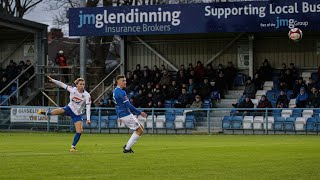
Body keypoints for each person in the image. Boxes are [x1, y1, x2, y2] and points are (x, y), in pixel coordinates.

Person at [38, 76, 91, 152]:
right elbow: (62, 84)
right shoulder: (72, 90)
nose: (82, 86)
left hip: (77, 114)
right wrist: (53, 80)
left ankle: (73, 147)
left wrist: (88, 119)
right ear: (77, 85)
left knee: (79, 131)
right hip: (69, 109)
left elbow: (88, 107)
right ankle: (46, 113)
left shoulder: (87, 95)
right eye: (81, 84)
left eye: (83, 84)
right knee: (56, 112)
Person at [113, 75, 147, 153]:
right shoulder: (121, 92)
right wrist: (140, 112)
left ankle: (127, 146)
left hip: (123, 114)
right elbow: (129, 105)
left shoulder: (115, 91)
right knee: (140, 130)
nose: (125, 82)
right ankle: (127, 148)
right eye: (123, 81)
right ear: (118, 82)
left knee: (140, 128)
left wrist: (119, 116)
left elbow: (117, 105)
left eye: (125, 80)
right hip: (126, 114)